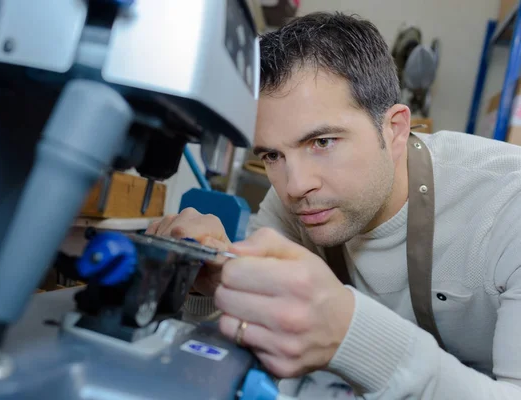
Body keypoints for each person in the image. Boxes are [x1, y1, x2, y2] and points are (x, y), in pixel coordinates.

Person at [146, 11, 521, 399]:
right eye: (273, 155)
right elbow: (248, 340)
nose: (295, 185)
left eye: (322, 142)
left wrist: (356, 339)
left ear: (394, 130)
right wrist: (211, 281)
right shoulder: (292, 204)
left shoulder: (508, 204)